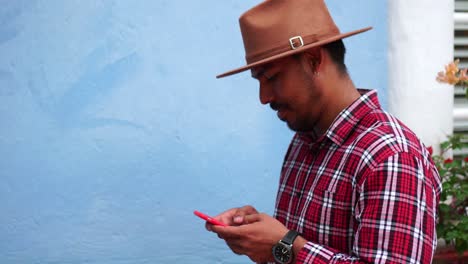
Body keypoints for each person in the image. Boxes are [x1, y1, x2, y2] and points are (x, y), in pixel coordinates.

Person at [207, 0, 442, 263]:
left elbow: (289, 247)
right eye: (259, 81)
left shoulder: (391, 156)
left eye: (271, 78)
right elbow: (288, 248)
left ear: (313, 60)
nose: (263, 97)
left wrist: (285, 244)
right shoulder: (304, 142)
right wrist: (261, 238)